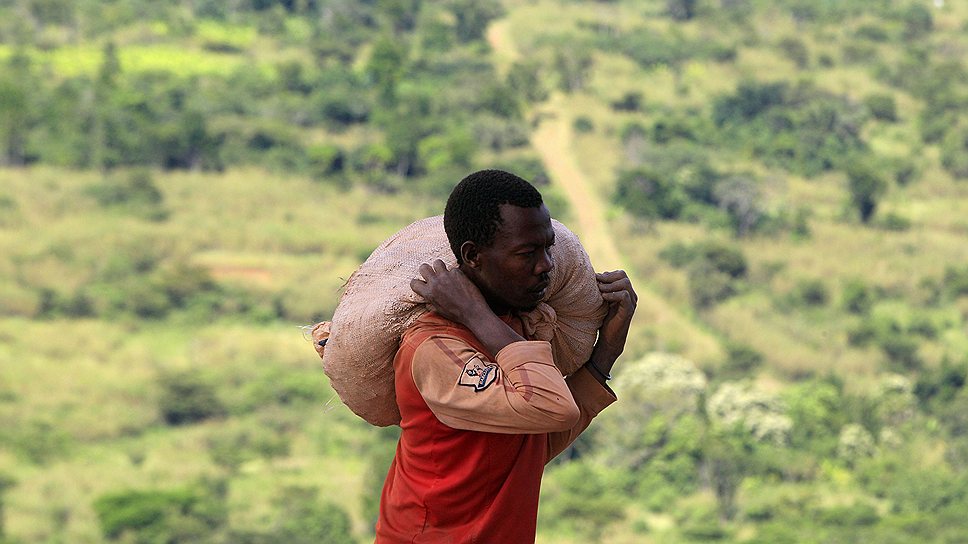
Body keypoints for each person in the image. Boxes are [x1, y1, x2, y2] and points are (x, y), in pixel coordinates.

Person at [373, 169, 636, 543]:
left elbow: (530, 446)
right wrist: (472, 312)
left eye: (547, 247)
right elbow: (552, 407)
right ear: (473, 256)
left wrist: (606, 352)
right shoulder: (435, 348)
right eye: (526, 253)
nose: (546, 264)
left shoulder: (511, 327)